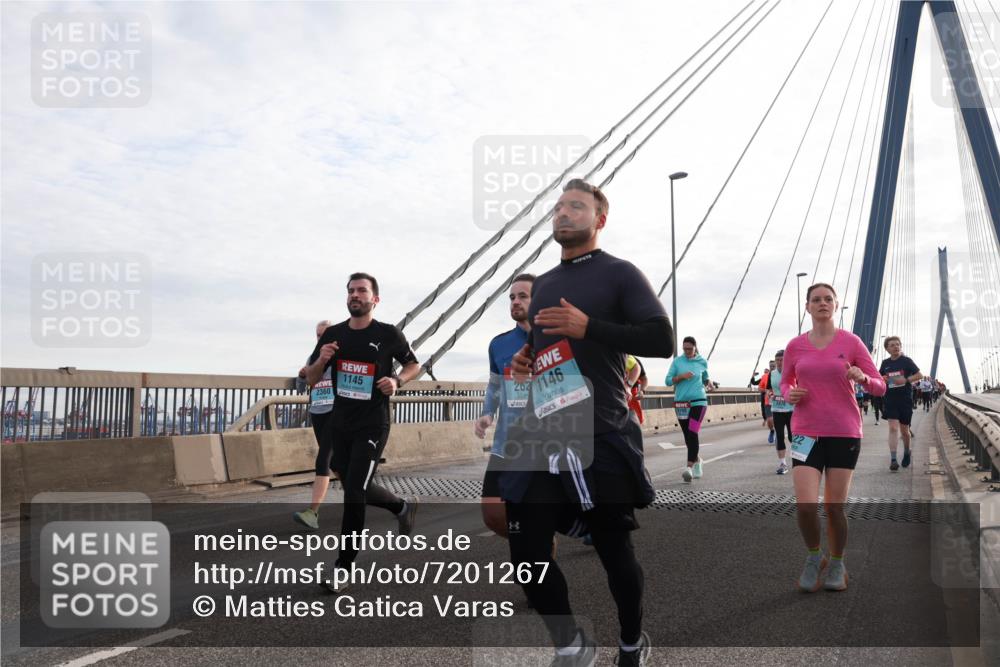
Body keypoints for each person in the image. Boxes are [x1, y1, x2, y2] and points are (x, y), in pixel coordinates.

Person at [506, 178, 673, 666]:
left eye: (576, 206)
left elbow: (661, 339)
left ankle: (630, 640)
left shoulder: (619, 274)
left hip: (601, 433)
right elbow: (546, 351)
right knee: (527, 554)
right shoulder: (545, 288)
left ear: (599, 220)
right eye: (558, 207)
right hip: (546, 436)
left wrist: (590, 327)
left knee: (613, 550)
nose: (563, 213)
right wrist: (526, 359)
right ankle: (571, 645)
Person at [304, 272, 421, 592]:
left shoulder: (387, 334)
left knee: (355, 490)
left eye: (362, 291)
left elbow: (413, 365)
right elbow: (311, 379)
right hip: (340, 422)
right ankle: (402, 506)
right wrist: (323, 359)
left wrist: (398, 381)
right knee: (355, 484)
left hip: (373, 422)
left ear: (375, 299)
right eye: (351, 291)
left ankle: (343, 565)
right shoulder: (333, 334)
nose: (355, 295)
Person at [781, 283, 885, 593]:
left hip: (843, 431)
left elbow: (879, 385)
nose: (822, 303)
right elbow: (785, 383)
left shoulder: (851, 342)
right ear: (807, 307)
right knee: (804, 505)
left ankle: (838, 562)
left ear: (836, 306)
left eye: (828, 299)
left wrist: (863, 377)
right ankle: (815, 556)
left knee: (834, 508)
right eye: (816, 299)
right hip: (805, 431)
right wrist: (790, 394)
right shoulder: (795, 346)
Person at [474, 274, 534, 538]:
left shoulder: (558, 340)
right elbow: (496, 385)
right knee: (493, 515)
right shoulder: (499, 344)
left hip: (545, 444)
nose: (515, 302)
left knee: (534, 517)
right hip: (506, 443)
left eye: (523, 296)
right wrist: (488, 413)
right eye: (512, 297)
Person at [292, 320, 339, 528]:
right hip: (317, 412)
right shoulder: (312, 357)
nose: (321, 338)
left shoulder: (340, 356)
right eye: (318, 335)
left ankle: (313, 512)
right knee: (339, 466)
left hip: (336, 413)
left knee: (323, 460)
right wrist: (302, 375)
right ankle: (393, 503)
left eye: (325, 334)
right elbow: (302, 386)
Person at [665, 336, 713, 482]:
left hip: (699, 401)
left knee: (693, 432)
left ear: (695, 348)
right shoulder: (677, 362)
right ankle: (698, 460)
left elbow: (705, 377)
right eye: (684, 349)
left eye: (689, 349)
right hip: (681, 403)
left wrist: (709, 383)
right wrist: (681, 377)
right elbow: (667, 381)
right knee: (687, 436)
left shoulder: (702, 361)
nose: (687, 351)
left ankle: (689, 468)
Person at [878, 336, 922, 471]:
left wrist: (905, 380)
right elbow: (879, 378)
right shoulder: (885, 363)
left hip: (905, 400)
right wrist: (883, 379)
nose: (896, 347)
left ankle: (907, 451)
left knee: (905, 431)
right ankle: (893, 459)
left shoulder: (906, 361)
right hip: (890, 399)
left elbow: (919, 375)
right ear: (887, 349)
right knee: (893, 428)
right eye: (892, 345)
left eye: (898, 344)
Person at [768, 349, 793, 474]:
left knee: (793, 436)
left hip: (791, 409)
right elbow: (768, 389)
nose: (779, 362)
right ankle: (783, 463)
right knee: (779, 436)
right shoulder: (771, 374)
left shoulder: (792, 372)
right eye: (777, 360)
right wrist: (771, 394)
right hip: (777, 409)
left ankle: (798, 460)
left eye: (781, 360)